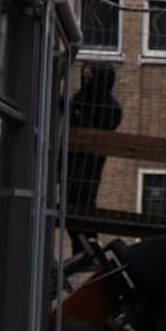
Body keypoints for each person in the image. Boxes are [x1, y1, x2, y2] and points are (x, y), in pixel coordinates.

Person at [66, 62, 123, 252]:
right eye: (85, 77)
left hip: (90, 164)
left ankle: (88, 245)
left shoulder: (112, 108)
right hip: (70, 161)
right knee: (69, 203)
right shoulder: (77, 99)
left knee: (84, 201)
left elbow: (96, 132)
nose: (86, 80)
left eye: (90, 77)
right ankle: (81, 247)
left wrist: (73, 114)